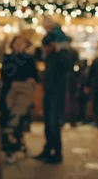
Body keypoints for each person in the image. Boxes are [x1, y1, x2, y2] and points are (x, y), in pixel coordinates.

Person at [0, 36, 39, 161]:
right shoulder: (7, 57)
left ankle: (15, 145)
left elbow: (34, 76)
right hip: (8, 94)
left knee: (18, 120)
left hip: (22, 95)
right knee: (8, 119)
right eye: (16, 42)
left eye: (22, 43)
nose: (18, 45)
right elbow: (5, 75)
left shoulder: (29, 58)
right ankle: (9, 148)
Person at [33, 33, 70, 164]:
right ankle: (48, 150)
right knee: (48, 123)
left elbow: (68, 65)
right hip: (48, 92)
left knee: (54, 123)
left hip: (57, 94)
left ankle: (57, 153)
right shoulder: (48, 56)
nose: (43, 49)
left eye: (45, 46)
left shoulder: (61, 56)